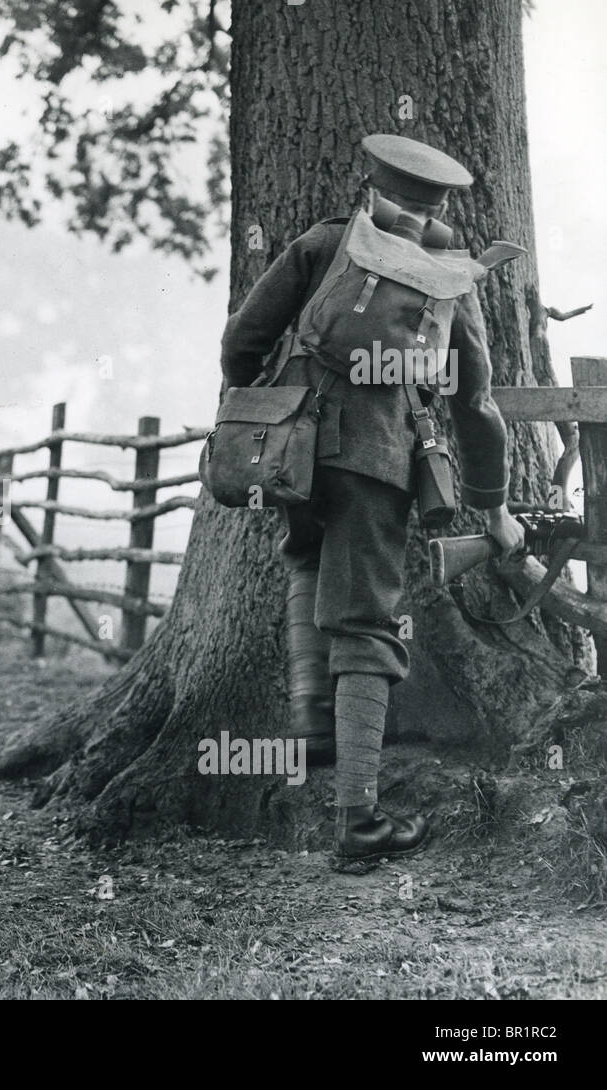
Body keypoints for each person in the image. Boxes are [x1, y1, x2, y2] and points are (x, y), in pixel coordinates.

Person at [219, 133, 524, 869]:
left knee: (303, 554)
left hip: (294, 447)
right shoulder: (454, 277)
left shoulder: (325, 242)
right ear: (440, 207)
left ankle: (315, 728)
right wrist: (494, 506)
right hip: (380, 458)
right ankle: (358, 818)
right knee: (367, 617)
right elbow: (475, 403)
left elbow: (240, 342)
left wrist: (277, 397)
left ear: (372, 186)